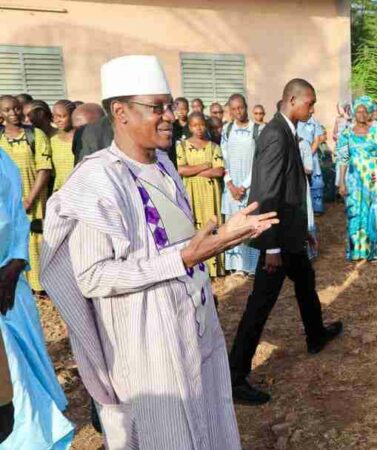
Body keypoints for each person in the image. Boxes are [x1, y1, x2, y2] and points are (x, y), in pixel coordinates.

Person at [40, 55, 278, 449]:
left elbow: (178, 241)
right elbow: (93, 275)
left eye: (170, 105)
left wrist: (224, 237)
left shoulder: (165, 164)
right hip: (146, 342)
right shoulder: (97, 180)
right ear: (120, 112)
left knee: (207, 425)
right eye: (157, 108)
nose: (170, 116)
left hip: (195, 324)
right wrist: (184, 259)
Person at [228, 78, 344, 404]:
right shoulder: (275, 135)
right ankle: (235, 376)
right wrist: (272, 247)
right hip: (275, 241)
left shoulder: (287, 129)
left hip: (289, 233)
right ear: (293, 99)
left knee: (306, 281)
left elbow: (289, 189)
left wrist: (302, 227)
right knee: (259, 305)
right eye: (310, 103)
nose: (313, 109)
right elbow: (266, 192)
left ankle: (316, 334)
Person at [0, 147, 74, 449]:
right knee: (14, 381)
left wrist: (16, 262)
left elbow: (17, 215)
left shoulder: (4, 160)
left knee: (25, 371)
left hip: (10, 284)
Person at [0, 95, 52, 294]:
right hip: (7, 202)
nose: (13, 113)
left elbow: (44, 168)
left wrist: (30, 198)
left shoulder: (35, 135)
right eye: (7, 110)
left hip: (34, 199)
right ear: (1, 114)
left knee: (35, 240)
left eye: (16, 108)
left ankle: (40, 287)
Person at [336, 96, 377, 261]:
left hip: (372, 179)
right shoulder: (346, 133)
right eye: (358, 111)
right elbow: (342, 159)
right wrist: (341, 183)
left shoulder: (376, 132)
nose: (361, 114)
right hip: (354, 180)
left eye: (364, 111)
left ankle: (375, 249)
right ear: (354, 112)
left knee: (373, 212)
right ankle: (357, 250)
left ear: (369, 113)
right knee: (354, 212)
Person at [177, 112, 226, 277]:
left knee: (212, 226)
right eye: (195, 125)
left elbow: (219, 171)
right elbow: (181, 169)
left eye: (201, 124)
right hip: (191, 193)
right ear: (189, 127)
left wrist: (194, 171)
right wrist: (204, 166)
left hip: (210, 193)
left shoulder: (213, 146)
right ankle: (196, 267)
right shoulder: (182, 146)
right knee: (194, 227)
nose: (199, 128)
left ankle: (214, 268)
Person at [221, 93, 262, 277]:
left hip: (250, 185)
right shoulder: (226, 129)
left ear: (246, 107)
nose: (238, 112)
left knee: (249, 224)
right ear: (229, 111)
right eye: (234, 108)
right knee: (233, 223)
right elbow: (223, 159)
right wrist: (230, 185)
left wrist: (243, 186)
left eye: (241, 107)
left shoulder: (257, 129)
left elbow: (258, 162)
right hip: (231, 188)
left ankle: (252, 266)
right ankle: (237, 266)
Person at [297, 115, 326, 214]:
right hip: (297, 156)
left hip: (312, 156)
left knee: (316, 183)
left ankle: (317, 208)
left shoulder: (314, 122)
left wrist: (309, 154)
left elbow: (317, 140)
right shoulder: (294, 120)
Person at [50, 100, 77, 192]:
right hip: (60, 191)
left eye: (62, 116)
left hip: (80, 190)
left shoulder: (82, 139)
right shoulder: (53, 141)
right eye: (55, 116)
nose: (57, 120)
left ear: (72, 116)